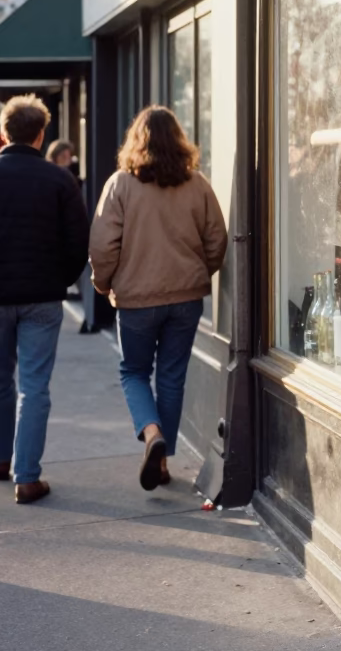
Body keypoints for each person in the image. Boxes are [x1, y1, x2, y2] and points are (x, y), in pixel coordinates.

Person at [89, 106, 227, 490]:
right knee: (171, 377)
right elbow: (217, 239)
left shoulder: (120, 184)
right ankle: (162, 462)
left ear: (137, 141)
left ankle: (152, 435)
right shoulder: (196, 183)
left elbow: (102, 246)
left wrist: (104, 285)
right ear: (178, 141)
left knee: (134, 371)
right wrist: (200, 274)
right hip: (185, 299)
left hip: (135, 300)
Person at [0, 95, 90, 504]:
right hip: (42, 299)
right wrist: (61, 280)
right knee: (34, 387)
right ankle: (27, 477)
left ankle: (3, 459)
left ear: (5, 133)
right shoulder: (60, 180)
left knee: (0, 382)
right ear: (41, 135)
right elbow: (78, 242)